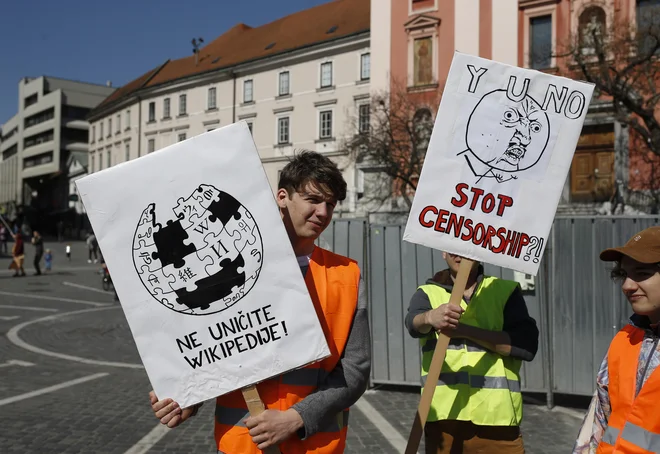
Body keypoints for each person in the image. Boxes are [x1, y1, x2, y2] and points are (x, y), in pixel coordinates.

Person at [149, 150, 371, 453]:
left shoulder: (348, 274)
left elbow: (355, 371)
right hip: (241, 444)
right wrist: (188, 398)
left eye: (330, 204)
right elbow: (214, 346)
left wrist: (296, 418)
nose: (323, 212)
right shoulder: (227, 266)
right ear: (283, 196)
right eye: (313, 199)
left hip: (316, 447)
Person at [405, 253, 539, 454]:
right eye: (452, 248)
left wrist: (463, 331)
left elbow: (526, 347)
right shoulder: (428, 292)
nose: (459, 254)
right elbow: (413, 324)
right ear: (443, 253)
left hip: (497, 419)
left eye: (465, 248)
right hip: (445, 417)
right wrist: (429, 317)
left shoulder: (504, 291)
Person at [573, 226, 660, 454]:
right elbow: (599, 420)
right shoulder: (625, 339)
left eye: (641, 273)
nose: (627, 286)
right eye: (624, 275)